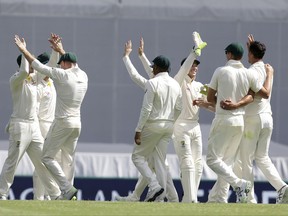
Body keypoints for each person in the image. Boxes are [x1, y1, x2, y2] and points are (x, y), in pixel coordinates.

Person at [14, 34, 88, 200]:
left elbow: (38, 65)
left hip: (62, 123)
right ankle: (67, 194)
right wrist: (60, 50)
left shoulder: (62, 75)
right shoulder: (83, 75)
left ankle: (66, 189)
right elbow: (69, 63)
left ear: (63, 64)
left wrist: (23, 50)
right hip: (77, 124)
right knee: (68, 160)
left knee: (46, 157)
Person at [221, 35, 288, 204]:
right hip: (267, 119)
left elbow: (258, 94)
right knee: (262, 157)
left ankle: (249, 199)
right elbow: (262, 83)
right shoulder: (266, 68)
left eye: (248, 52)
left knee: (246, 160)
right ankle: (282, 188)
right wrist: (253, 48)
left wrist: (235, 105)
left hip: (253, 121)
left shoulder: (250, 72)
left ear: (250, 54)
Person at [206, 42, 273, 203]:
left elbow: (209, 98)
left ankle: (239, 184)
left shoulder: (220, 71)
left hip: (223, 119)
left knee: (212, 159)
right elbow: (261, 94)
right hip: (240, 122)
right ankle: (220, 198)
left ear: (229, 55)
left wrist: (221, 102)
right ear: (243, 56)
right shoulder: (248, 73)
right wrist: (269, 74)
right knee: (227, 161)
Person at [116, 38, 179, 202]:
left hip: (153, 126)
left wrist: (138, 130)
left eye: (153, 67)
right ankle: (159, 196)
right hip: (168, 126)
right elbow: (179, 108)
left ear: (157, 68)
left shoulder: (152, 84)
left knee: (137, 157)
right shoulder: (175, 84)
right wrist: (141, 56)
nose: (152, 69)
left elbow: (146, 109)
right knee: (159, 161)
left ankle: (154, 186)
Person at [0, 46, 61, 200]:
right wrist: (23, 51)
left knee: (43, 162)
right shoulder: (16, 79)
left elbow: (50, 67)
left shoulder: (36, 78)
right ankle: (1, 193)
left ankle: (55, 194)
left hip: (34, 127)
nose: (34, 64)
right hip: (20, 126)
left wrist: (55, 51)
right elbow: (23, 72)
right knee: (12, 163)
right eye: (29, 62)